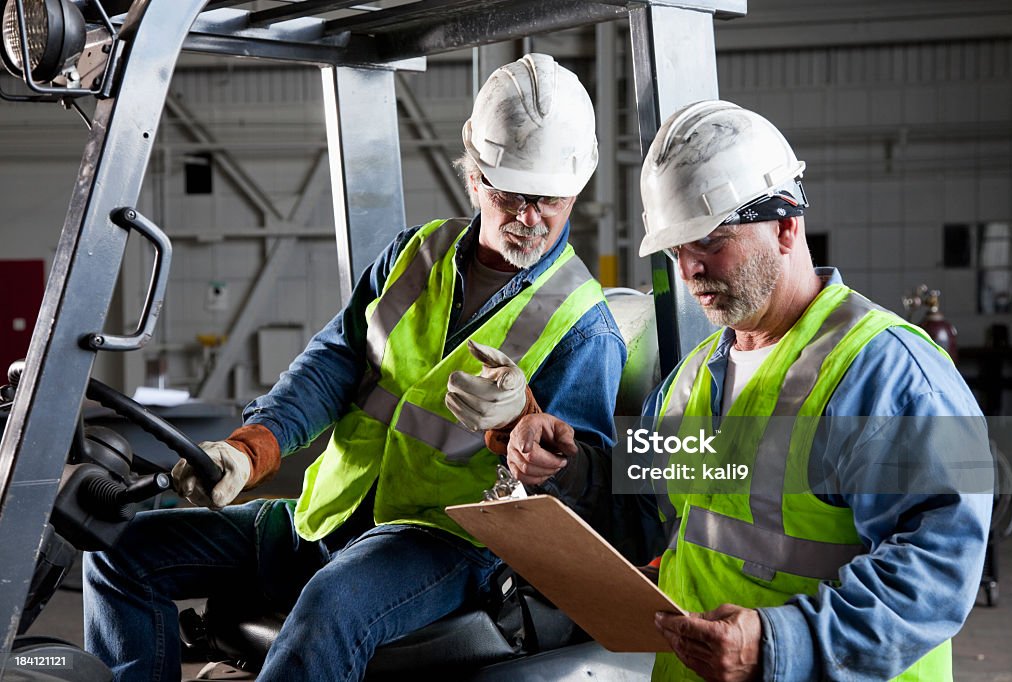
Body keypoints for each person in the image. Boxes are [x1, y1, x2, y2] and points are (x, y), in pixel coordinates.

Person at [83, 53, 626, 682]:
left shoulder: (585, 325)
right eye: (512, 194)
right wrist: (253, 448)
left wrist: (525, 427)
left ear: (578, 186)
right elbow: (332, 364)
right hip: (331, 512)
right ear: (475, 177)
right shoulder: (413, 254)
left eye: (550, 198)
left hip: (440, 541)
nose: (531, 216)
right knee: (120, 551)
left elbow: (580, 487)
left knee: (331, 606)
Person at [500, 100, 992, 681]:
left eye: (711, 241)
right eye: (677, 249)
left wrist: (782, 644)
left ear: (786, 227)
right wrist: (569, 465)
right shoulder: (693, 376)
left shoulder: (896, 376)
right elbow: (647, 510)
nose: (690, 269)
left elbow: (938, 572)